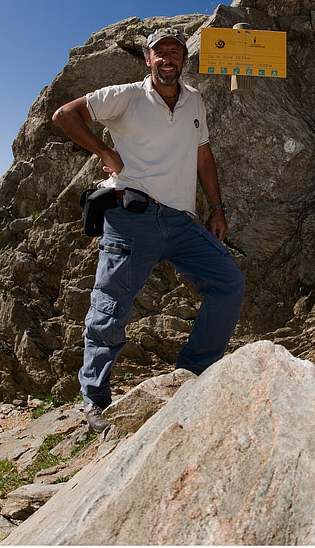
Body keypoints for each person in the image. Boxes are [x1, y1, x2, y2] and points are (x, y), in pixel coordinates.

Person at [52, 27, 245, 432]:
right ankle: (96, 403)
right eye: (160, 53)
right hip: (130, 217)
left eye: (175, 52)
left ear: (184, 60)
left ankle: (191, 377)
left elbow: (203, 154)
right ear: (148, 59)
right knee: (110, 307)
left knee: (227, 282)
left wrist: (217, 207)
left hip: (179, 220)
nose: (168, 59)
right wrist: (105, 152)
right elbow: (64, 115)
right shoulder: (125, 96)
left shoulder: (195, 101)